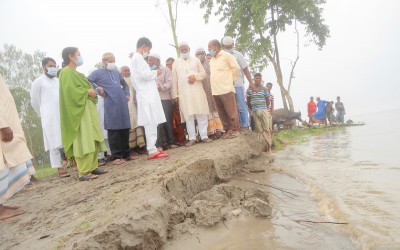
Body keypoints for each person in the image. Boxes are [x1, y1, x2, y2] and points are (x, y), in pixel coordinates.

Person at [59, 47, 108, 181]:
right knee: (83, 139)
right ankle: (83, 171)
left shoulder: (78, 74)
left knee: (93, 137)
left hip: (88, 109)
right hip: (79, 112)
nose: (80, 57)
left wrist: (91, 91)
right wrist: (87, 92)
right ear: (71, 57)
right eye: (78, 55)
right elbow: (70, 92)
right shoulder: (66, 72)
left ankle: (93, 166)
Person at [88, 52, 136, 165]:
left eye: (114, 61)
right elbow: (87, 80)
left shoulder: (116, 71)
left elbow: (124, 84)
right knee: (113, 129)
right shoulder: (98, 73)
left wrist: (127, 94)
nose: (113, 63)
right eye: (110, 61)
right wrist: (97, 88)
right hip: (110, 103)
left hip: (122, 103)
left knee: (125, 128)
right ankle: (116, 156)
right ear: (104, 62)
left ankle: (126, 154)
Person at [0, 74, 35, 220]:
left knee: (10, 160)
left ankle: (1, 204)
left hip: (6, 121)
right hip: (2, 125)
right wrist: (2, 125)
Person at [130, 37, 169, 159]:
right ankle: (151, 149)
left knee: (152, 121)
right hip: (146, 95)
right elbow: (145, 75)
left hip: (147, 94)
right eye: (148, 50)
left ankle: (152, 148)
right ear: (144, 47)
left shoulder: (136, 58)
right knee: (150, 121)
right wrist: (156, 72)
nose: (148, 52)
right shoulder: (138, 57)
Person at [30, 57, 70, 178]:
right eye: (50, 66)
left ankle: (72, 162)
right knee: (53, 142)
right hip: (49, 117)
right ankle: (60, 169)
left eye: (54, 66)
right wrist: (42, 113)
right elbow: (34, 101)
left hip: (62, 114)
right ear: (43, 67)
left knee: (66, 139)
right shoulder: (38, 82)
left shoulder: (58, 80)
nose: (53, 68)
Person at [172, 42, 212, 147]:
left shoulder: (196, 60)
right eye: (182, 50)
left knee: (201, 113)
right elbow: (174, 80)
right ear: (179, 51)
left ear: (189, 49)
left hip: (197, 91)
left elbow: (203, 74)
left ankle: (204, 136)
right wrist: (175, 95)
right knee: (188, 115)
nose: (184, 51)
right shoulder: (176, 63)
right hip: (184, 94)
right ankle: (192, 138)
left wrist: (195, 76)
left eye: (185, 49)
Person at [208, 39, 241, 139]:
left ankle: (235, 130)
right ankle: (228, 130)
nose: (209, 50)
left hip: (226, 88)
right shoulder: (212, 60)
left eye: (210, 47)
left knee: (231, 111)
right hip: (215, 90)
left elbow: (236, 68)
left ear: (216, 47)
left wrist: (231, 80)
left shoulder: (226, 55)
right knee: (222, 113)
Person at [222, 36, 254, 131]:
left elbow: (245, 69)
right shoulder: (221, 56)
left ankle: (244, 125)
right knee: (232, 107)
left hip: (238, 84)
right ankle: (237, 126)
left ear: (233, 44)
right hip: (226, 86)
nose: (228, 48)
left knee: (241, 105)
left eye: (229, 46)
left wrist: (251, 82)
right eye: (226, 47)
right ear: (223, 46)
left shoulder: (238, 55)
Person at [148, 53, 177, 149]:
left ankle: (171, 142)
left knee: (167, 121)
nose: (149, 62)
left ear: (157, 61)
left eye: (151, 60)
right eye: (148, 60)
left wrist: (162, 87)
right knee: (157, 122)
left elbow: (170, 82)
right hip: (153, 100)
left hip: (164, 98)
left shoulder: (166, 70)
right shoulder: (147, 71)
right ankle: (159, 144)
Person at [195, 47, 224, 139]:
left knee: (215, 108)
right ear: (196, 55)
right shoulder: (195, 64)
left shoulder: (210, 62)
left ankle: (219, 130)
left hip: (212, 88)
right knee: (206, 111)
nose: (200, 55)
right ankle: (211, 132)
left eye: (202, 53)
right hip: (201, 91)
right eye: (198, 54)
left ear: (204, 53)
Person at [120, 66, 146, 153]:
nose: (128, 72)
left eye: (128, 70)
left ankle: (141, 145)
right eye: (125, 71)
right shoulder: (120, 81)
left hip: (135, 104)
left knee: (137, 123)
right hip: (125, 105)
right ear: (121, 72)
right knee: (130, 125)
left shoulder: (133, 79)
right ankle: (132, 147)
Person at [246, 73, 273, 152]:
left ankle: (269, 147)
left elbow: (268, 101)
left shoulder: (264, 89)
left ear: (261, 80)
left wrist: (264, 108)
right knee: (259, 130)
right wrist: (253, 108)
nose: (257, 79)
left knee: (267, 129)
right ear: (254, 79)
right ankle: (263, 147)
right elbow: (248, 102)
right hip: (255, 111)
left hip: (264, 110)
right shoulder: (249, 89)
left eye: (259, 78)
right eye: (256, 78)